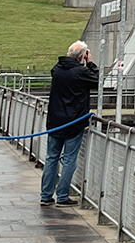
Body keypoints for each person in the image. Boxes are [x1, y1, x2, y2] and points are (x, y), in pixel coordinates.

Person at [41, 40, 99, 207]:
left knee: (51, 158)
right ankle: (62, 196)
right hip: (74, 122)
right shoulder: (80, 72)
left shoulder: (57, 69)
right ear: (82, 56)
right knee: (69, 159)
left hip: (55, 121)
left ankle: (45, 195)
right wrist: (91, 63)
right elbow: (98, 81)